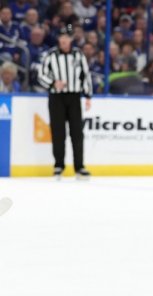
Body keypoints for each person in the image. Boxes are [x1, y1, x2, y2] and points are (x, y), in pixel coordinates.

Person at [38, 24, 92, 180]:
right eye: (61, 37)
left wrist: (88, 96)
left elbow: (85, 75)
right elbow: (41, 75)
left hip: (74, 97)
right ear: (58, 39)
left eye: (67, 37)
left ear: (71, 39)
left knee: (77, 133)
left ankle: (79, 167)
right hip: (56, 98)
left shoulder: (78, 55)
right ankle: (58, 166)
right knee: (58, 132)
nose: (64, 40)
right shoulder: (51, 55)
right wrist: (53, 83)